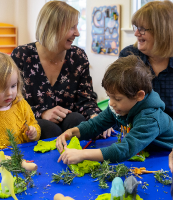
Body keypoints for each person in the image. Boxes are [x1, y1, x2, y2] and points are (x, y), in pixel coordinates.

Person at [11, 1, 108, 140]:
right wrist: (42, 113)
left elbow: (86, 100)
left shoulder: (78, 56)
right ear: (52, 28)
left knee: (77, 121)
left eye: (77, 26)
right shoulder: (22, 55)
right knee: (48, 129)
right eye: (71, 27)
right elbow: (12, 102)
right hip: (33, 123)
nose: (77, 33)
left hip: (70, 121)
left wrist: (97, 118)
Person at [56, 55, 173, 165]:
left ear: (139, 96)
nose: (112, 103)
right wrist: (71, 132)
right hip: (149, 152)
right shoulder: (120, 107)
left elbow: (125, 150)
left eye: (118, 98)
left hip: (167, 156)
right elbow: (95, 125)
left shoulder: (150, 117)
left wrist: (83, 154)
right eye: (109, 96)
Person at [119, 1, 173, 125]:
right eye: (136, 27)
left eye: (142, 29)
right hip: (137, 127)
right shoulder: (128, 56)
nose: (136, 33)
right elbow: (117, 101)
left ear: (162, 31)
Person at [0, 52, 41, 153]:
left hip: (21, 156)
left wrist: (34, 133)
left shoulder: (21, 105)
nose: (9, 93)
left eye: (13, 86)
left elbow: (34, 125)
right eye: (2, 89)